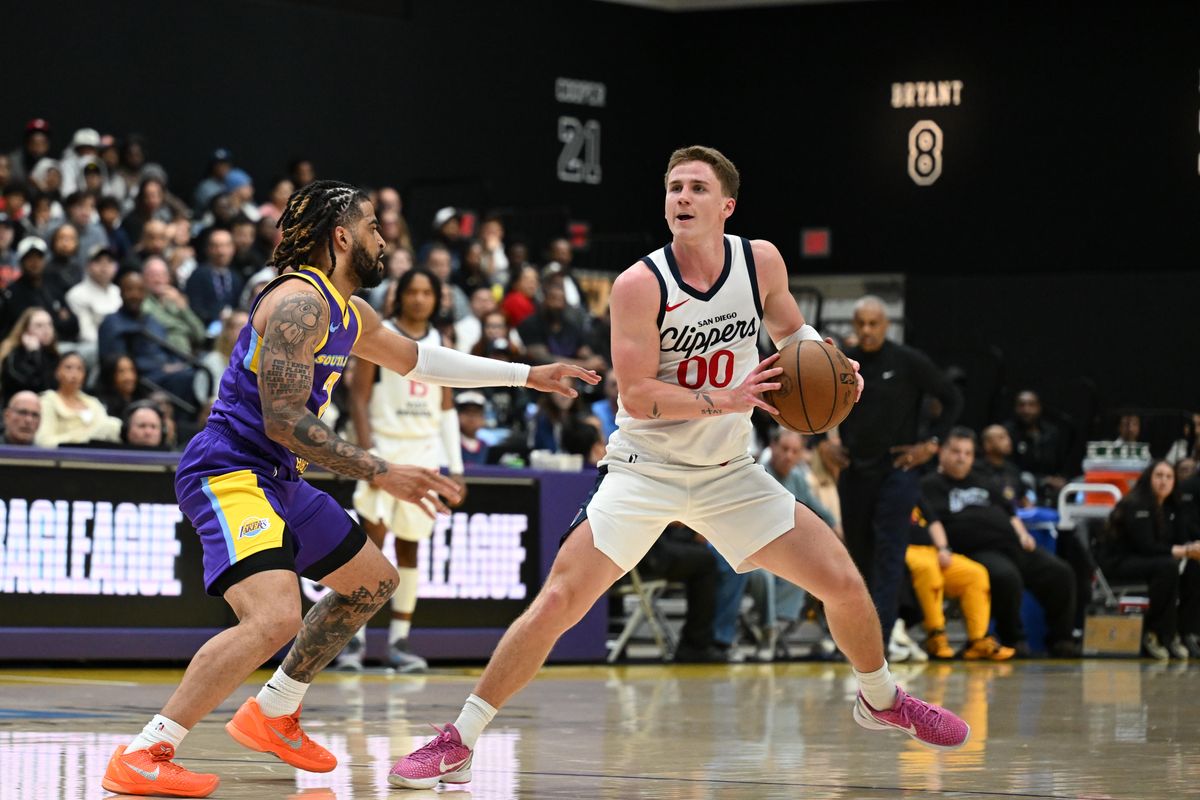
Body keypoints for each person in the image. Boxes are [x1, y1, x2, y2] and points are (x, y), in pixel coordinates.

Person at [391, 146, 967, 790]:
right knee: (558, 600)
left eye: (696, 188)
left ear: (726, 205)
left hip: (728, 470)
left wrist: (832, 365)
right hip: (646, 469)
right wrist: (722, 399)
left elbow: (792, 333)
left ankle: (879, 697)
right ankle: (459, 738)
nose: (681, 198)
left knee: (842, 580)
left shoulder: (761, 261)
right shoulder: (640, 284)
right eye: (673, 188)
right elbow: (634, 394)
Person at [100, 180, 597, 798]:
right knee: (274, 617)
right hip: (229, 470)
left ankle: (275, 709)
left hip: (280, 476)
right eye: (372, 227)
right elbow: (283, 419)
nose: (382, 239)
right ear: (341, 237)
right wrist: (381, 470)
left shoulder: (348, 311)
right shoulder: (297, 304)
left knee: (372, 581)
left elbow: (419, 359)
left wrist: (528, 375)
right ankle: (148, 749)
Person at [337, 267, 466, 673]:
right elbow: (358, 400)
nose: (419, 299)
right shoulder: (380, 333)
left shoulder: (441, 341)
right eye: (413, 291)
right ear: (400, 295)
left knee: (411, 547)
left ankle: (399, 641)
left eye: (427, 292)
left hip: (424, 453)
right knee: (368, 546)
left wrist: (455, 467)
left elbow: (446, 407)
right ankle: (352, 641)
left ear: (436, 298)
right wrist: (368, 455)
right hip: (386, 452)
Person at [838, 295, 963, 653]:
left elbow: (952, 397)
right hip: (854, 469)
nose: (866, 330)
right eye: (860, 323)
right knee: (858, 553)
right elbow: (819, 403)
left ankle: (882, 636)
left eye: (873, 323)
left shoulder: (908, 361)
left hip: (898, 471)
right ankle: (858, 637)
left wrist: (933, 442)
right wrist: (826, 440)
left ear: (886, 325)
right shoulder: (845, 364)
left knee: (889, 553)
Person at [919, 427, 1080, 657]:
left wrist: (1023, 534)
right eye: (955, 451)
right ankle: (1013, 639)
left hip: (1010, 543)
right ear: (942, 452)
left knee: (1060, 573)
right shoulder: (929, 485)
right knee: (1006, 576)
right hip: (972, 550)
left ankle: (1062, 640)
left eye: (967, 453)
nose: (961, 458)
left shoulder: (983, 480)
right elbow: (930, 521)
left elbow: (1010, 511)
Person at [1102, 460, 1200, 660]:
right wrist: (1185, 550)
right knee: (1167, 567)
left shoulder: (1171, 507)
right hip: (1120, 561)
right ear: (1149, 478)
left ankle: (1183, 631)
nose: (1163, 481)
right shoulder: (1136, 503)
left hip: (1151, 561)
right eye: (1159, 476)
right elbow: (1146, 547)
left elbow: (1182, 539)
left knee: (1192, 566)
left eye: (1169, 477)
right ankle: (1153, 631)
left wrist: (1192, 548)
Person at [906, 504, 1015, 661]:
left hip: (931, 550)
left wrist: (943, 548)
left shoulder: (914, 491)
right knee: (928, 570)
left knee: (975, 574)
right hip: (902, 550)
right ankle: (936, 636)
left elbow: (934, 521)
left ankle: (977, 640)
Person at [35, 352, 121, 447]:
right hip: (64, 456)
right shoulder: (48, 400)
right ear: (57, 372)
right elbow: (44, 441)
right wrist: (82, 438)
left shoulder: (94, 403)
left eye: (79, 369)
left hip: (95, 456)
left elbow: (107, 431)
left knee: (114, 424)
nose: (74, 374)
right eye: (68, 368)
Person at [1002, 390, 1070, 504]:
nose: (1026, 410)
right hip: (1022, 483)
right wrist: (1042, 480)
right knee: (1026, 478)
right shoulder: (1007, 432)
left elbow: (1061, 462)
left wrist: (1060, 479)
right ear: (1015, 408)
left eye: (1031, 405)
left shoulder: (1051, 432)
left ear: (1039, 407)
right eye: (1022, 405)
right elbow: (1008, 467)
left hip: (1050, 484)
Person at [0, 307, 60, 403]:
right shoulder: (13, 355)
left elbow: (53, 388)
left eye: (49, 324)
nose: (46, 330)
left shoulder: (53, 355)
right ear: (25, 330)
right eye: (39, 326)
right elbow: (33, 386)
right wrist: (34, 354)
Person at [456, 391, 490, 466]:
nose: (471, 417)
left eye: (476, 412)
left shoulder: (485, 446)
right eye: (466, 412)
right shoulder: (452, 443)